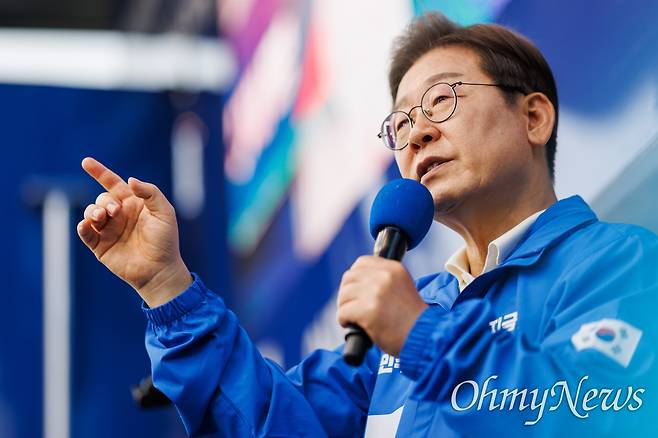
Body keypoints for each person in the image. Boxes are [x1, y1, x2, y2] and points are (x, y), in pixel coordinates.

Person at [77, 12, 658, 437]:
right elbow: (267, 422)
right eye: (400, 124)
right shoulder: (409, 317)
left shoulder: (620, 263)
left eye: (442, 101)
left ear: (533, 117)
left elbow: (599, 415)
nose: (417, 133)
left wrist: (421, 337)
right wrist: (166, 286)